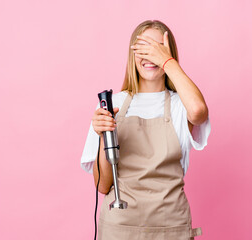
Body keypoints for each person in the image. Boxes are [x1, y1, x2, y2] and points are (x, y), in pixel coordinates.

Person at [81, 20, 211, 240]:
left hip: (171, 227)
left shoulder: (182, 105)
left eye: (158, 48)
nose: (151, 55)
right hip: (120, 227)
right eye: (143, 48)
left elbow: (199, 111)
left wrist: (167, 61)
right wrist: (105, 136)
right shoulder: (112, 104)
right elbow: (103, 186)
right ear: (133, 54)